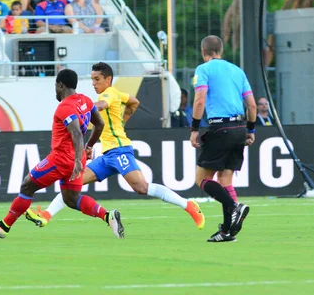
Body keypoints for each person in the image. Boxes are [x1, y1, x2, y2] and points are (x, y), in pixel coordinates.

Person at [26, 62, 205, 230]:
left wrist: (81, 107)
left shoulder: (108, 93)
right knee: (73, 184)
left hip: (119, 151)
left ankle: (188, 205)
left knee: (142, 187)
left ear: (108, 79)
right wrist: (122, 120)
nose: (94, 84)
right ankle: (47, 215)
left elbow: (101, 106)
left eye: (97, 79)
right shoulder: (118, 93)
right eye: (92, 79)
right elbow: (134, 101)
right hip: (107, 155)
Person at [0, 68, 124, 240]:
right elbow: (100, 124)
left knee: (27, 185)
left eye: (56, 86)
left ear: (60, 85)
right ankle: (108, 216)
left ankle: (4, 226)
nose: (55, 90)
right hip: (76, 160)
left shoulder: (65, 107)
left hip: (61, 160)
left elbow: (76, 133)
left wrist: (79, 158)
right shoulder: (85, 101)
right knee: (71, 199)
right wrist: (88, 148)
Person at [189, 35, 254, 243]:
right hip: (240, 127)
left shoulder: (203, 69)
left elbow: (200, 100)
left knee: (201, 179)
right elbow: (252, 105)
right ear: (221, 50)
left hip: (220, 127)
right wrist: (251, 130)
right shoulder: (237, 71)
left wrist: (194, 128)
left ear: (203, 52)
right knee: (225, 180)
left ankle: (234, 208)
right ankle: (227, 231)